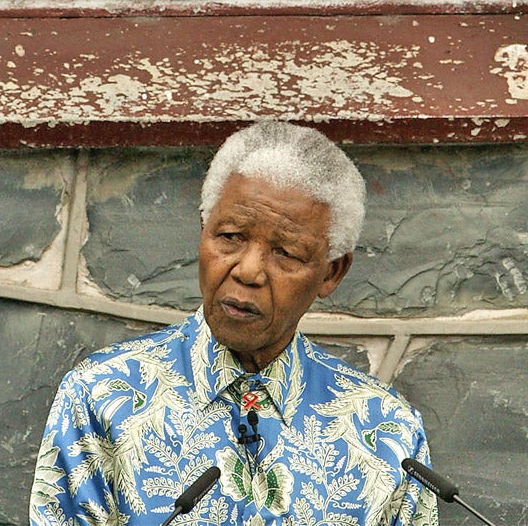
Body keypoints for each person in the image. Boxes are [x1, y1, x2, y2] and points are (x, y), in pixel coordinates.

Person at [30, 122, 438, 526]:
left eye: (286, 253)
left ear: (331, 273)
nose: (248, 271)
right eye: (229, 236)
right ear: (202, 231)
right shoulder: (101, 397)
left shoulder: (387, 431)